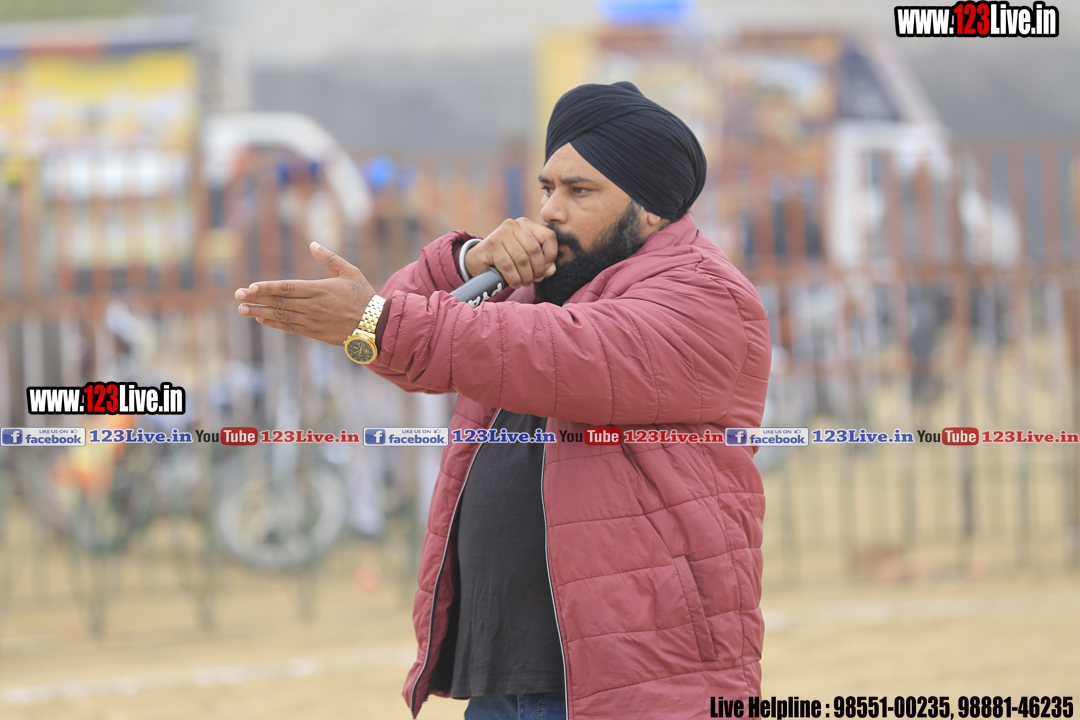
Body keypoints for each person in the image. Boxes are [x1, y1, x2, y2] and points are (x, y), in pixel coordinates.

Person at [235, 81, 770, 720]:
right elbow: (408, 342)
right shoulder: (545, 280)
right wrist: (467, 262)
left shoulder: (706, 295)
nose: (551, 212)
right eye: (548, 189)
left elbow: (551, 353)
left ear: (651, 209)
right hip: (506, 669)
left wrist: (376, 321)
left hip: (639, 676)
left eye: (580, 191)